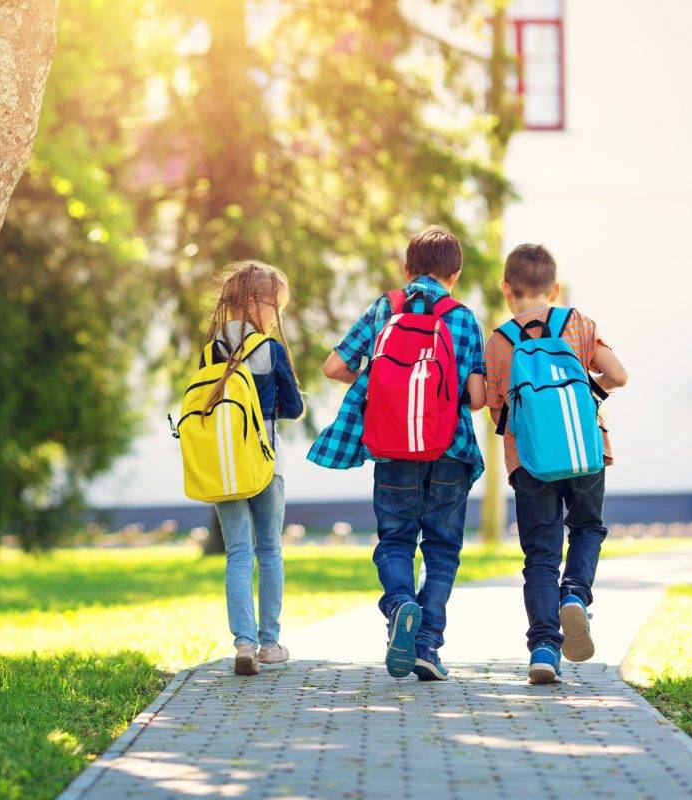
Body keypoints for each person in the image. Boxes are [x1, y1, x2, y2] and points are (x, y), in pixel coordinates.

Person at [312, 226, 486, 681]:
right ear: (456, 273)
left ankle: (399, 605)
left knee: (395, 540)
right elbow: (479, 395)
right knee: (443, 548)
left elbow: (334, 367)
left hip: (393, 448)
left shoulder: (383, 307)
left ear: (406, 269)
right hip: (451, 447)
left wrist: (385, 386)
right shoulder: (463, 317)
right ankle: (428, 644)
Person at [484, 243, 628, 684]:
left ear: (507, 289)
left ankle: (544, 648)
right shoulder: (578, 324)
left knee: (541, 554)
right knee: (586, 528)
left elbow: (495, 411)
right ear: (556, 287)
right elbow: (618, 375)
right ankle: (576, 595)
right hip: (586, 452)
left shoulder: (500, 341)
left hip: (530, 460)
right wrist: (589, 391)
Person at [203, 262, 304, 676]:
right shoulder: (270, 349)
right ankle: (269, 643)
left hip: (223, 464)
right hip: (264, 461)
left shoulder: (212, 350)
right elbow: (294, 408)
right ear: (259, 304)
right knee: (269, 550)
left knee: (238, 553)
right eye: (275, 305)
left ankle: (242, 642)